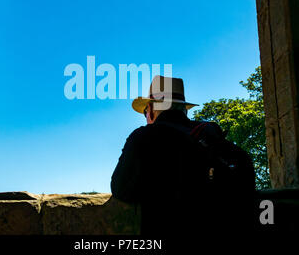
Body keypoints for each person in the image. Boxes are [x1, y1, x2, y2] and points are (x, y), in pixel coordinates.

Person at [110, 75, 256, 239]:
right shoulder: (211, 135)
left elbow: (120, 190)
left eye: (145, 111)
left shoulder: (142, 137)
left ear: (151, 108)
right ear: (184, 109)